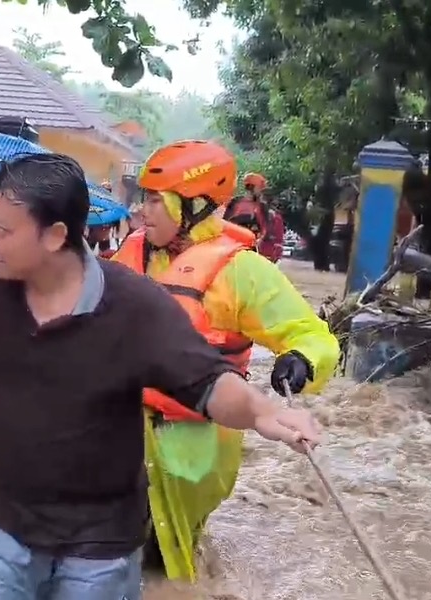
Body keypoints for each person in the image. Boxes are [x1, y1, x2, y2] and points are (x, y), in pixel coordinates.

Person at [0, 153, 323, 599]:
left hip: (99, 543)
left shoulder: (135, 306)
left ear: (55, 235)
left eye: (3, 230)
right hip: (2, 520)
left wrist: (262, 413)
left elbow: (209, 381)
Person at [119, 140, 341, 581]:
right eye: (143, 198)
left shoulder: (242, 271)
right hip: (120, 429)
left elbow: (310, 334)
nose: (143, 211)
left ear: (196, 206)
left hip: (194, 441)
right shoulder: (131, 253)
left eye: (154, 200)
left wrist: (301, 359)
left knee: (168, 563)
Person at [223, 171, 285, 262]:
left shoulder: (261, 207)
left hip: (250, 252)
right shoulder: (234, 204)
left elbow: (264, 231)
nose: (261, 192)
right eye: (260, 189)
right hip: (238, 252)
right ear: (253, 188)